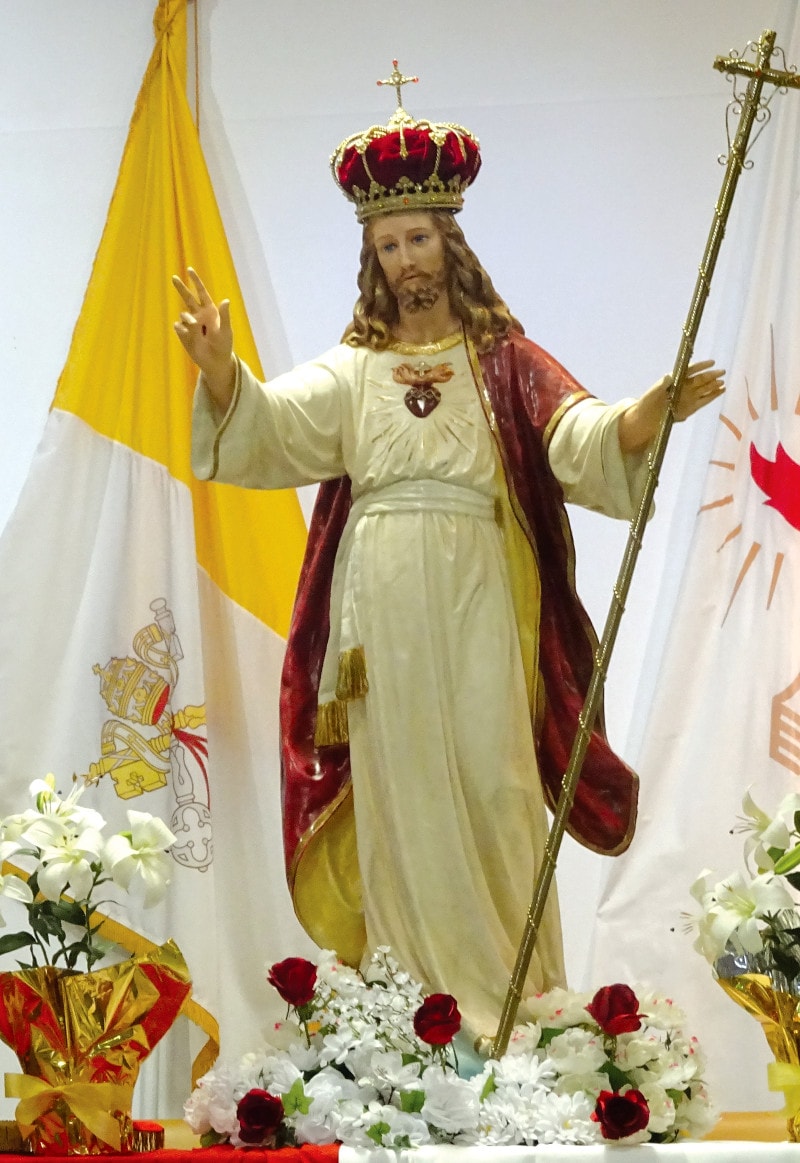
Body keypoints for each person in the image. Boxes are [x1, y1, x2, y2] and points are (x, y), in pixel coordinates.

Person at [174, 92, 724, 1045]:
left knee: (495, 786)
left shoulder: (502, 360)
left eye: (419, 239)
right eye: (388, 246)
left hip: (482, 598)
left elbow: (579, 435)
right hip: (380, 607)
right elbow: (269, 428)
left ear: (450, 243)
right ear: (373, 258)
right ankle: (416, 1017)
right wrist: (223, 373)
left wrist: (646, 414)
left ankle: (514, 1007)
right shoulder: (353, 371)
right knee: (403, 797)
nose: (406, 261)